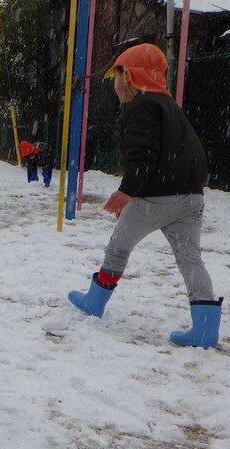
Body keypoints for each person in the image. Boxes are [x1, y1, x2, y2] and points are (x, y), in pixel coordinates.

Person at [67, 43, 220, 349]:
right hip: (191, 196)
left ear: (130, 76)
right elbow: (192, 152)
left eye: (116, 76)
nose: (114, 84)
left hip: (157, 196)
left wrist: (127, 191)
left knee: (118, 247)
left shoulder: (142, 107)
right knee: (190, 259)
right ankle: (205, 326)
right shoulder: (171, 107)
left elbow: (143, 155)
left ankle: (95, 301)